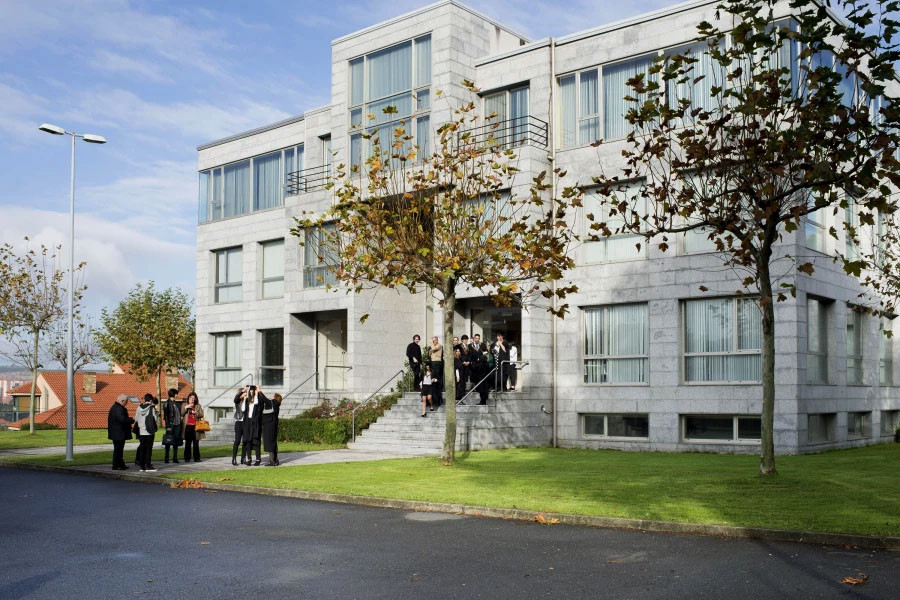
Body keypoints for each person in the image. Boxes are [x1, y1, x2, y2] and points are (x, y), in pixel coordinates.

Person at [107, 393, 134, 471]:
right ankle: (117, 465)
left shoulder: (115, 407)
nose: (127, 403)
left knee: (118, 449)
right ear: (122, 401)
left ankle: (119, 464)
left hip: (117, 433)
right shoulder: (119, 409)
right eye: (126, 402)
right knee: (118, 449)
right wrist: (132, 420)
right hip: (119, 433)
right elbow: (122, 419)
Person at [134, 393, 158, 472]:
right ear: (151, 400)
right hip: (149, 431)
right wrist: (156, 413)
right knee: (149, 449)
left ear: (145, 399)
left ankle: (142, 466)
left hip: (141, 431)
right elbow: (155, 419)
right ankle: (148, 465)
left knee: (142, 448)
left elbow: (136, 419)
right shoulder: (151, 408)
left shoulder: (139, 407)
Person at [181, 392, 205, 463]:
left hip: (196, 427)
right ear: (188, 398)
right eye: (191, 398)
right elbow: (181, 413)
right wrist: (186, 407)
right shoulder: (184, 405)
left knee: (196, 443)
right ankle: (187, 458)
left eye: (193, 398)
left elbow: (201, 414)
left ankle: (196, 458)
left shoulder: (198, 406)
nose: (192, 399)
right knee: (188, 443)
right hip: (187, 426)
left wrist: (196, 413)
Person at [162, 388, 182, 464]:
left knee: (176, 441)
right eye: (176, 393)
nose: (177, 395)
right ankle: (166, 457)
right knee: (168, 441)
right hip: (171, 424)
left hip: (177, 424)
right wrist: (168, 426)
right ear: (173, 394)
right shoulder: (167, 403)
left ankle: (175, 457)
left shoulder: (176, 403)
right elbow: (166, 416)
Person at [261, 391, 282, 466]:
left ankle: (271, 461)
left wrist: (259, 391)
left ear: (275, 398)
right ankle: (276, 460)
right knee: (273, 442)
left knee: (269, 442)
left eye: (273, 397)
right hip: (274, 425)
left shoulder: (273, 402)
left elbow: (265, 399)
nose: (272, 398)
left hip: (269, 425)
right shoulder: (277, 405)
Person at [232, 389, 248, 466]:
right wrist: (243, 390)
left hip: (246, 423)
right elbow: (236, 398)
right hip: (239, 422)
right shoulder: (237, 402)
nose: (245, 394)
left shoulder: (247, 401)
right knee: (237, 441)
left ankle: (243, 458)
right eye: (243, 393)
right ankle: (234, 458)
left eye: (245, 393)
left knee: (245, 441)